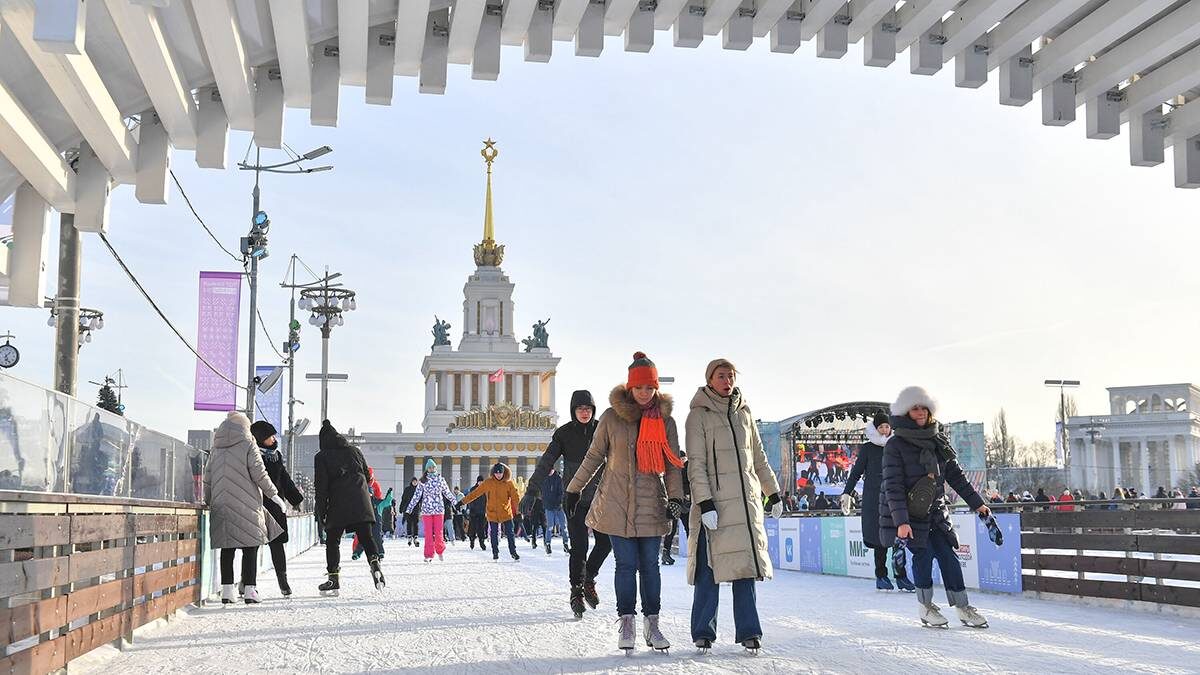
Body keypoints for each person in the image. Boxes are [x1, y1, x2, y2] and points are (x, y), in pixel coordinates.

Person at [565, 352, 685, 653]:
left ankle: (652, 624)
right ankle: (628, 622)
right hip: (616, 503)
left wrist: (676, 498)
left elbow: (672, 465)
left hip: (650, 503)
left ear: (655, 389)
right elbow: (594, 456)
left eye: (650, 388)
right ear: (630, 388)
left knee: (650, 567)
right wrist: (573, 489)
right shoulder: (610, 417)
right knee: (625, 565)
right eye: (639, 387)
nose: (644, 393)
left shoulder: (665, 421)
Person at [684, 358, 782, 653]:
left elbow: (759, 457)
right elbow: (696, 465)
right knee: (708, 569)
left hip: (744, 503)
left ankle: (750, 631)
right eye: (721, 376)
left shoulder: (744, 413)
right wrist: (705, 502)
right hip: (715, 504)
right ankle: (703, 631)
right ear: (710, 379)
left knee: (744, 567)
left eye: (731, 376)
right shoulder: (698, 416)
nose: (727, 381)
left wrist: (772, 492)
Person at [880, 387, 991, 629]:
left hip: (936, 512)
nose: (920, 412)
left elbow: (957, 478)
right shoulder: (895, 444)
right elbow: (893, 486)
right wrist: (901, 522)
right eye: (914, 408)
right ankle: (926, 607)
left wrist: (978, 504)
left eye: (923, 407)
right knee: (923, 557)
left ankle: (963, 608)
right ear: (906, 412)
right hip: (910, 514)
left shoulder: (938, 440)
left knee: (949, 557)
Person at [522, 389, 611, 619]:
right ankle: (576, 592)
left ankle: (589, 578)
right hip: (575, 499)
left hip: (602, 498)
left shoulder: (603, 429)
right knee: (579, 546)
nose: (585, 412)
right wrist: (532, 491)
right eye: (581, 409)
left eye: (588, 409)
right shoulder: (563, 434)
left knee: (606, 542)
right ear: (574, 410)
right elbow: (546, 462)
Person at [206, 413, 287, 604]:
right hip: (247, 503)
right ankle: (250, 590)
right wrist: (274, 495)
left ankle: (227, 591)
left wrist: (208, 500)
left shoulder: (216, 447)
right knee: (251, 546)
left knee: (227, 547)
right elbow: (260, 473)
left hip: (221, 504)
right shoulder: (248, 444)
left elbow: (208, 477)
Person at [843, 412, 915, 592]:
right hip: (874, 498)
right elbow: (856, 472)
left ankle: (901, 576)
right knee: (880, 540)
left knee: (899, 538)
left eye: (887, 426)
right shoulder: (868, 448)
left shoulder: (897, 446)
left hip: (895, 497)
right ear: (875, 429)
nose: (884, 430)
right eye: (881, 427)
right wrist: (847, 492)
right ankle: (881, 576)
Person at [314, 420, 385, 594]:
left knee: (333, 541)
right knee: (367, 537)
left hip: (338, 504)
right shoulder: (355, 451)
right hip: (361, 501)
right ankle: (375, 564)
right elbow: (368, 476)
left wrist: (320, 513)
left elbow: (321, 487)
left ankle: (333, 579)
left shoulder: (322, 456)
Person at [250, 421, 304, 598]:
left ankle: (283, 581)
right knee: (252, 546)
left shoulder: (276, 455)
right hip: (256, 505)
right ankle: (248, 582)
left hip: (275, 506)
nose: (273, 439)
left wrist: (295, 498)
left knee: (277, 544)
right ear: (260, 437)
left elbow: (284, 478)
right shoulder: (252, 454)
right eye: (269, 436)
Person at [461, 463, 522, 561]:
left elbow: (515, 498)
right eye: (496, 473)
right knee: (493, 533)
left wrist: (518, 512)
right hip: (492, 513)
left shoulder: (509, 483)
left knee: (510, 533)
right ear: (493, 473)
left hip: (506, 513)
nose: (498, 475)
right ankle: (495, 553)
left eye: (500, 473)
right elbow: (475, 493)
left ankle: (513, 552)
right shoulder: (488, 483)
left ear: (503, 473)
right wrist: (462, 502)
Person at [406, 459, 456, 562]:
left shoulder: (440, 480)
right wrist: (409, 508)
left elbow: (447, 493)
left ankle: (440, 551)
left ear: (435, 468)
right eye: (429, 467)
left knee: (438, 533)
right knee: (428, 533)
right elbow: (416, 496)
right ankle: (428, 554)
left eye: (433, 467)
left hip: (439, 510)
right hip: (426, 511)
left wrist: (457, 503)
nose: (431, 469)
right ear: (426, 469)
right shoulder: (422, 481)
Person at [352, 468, 385, 560]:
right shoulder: (360, 483)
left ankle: (380, 552)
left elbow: (379, 498)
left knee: (376, 534)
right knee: (362, 534)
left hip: (374, 512)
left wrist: (374, 499)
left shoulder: (375, 485)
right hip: (363, 512)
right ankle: (356, 552)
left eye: (369, 476)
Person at [661, 462, 691, 566]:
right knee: (680, 529)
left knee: (675, 529)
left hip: (675, 501)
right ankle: (692, 554)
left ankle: (666, 553)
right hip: (680, 502)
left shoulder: (673, 467)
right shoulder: (685, 467)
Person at [538, 467, 569, 555]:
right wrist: (544, 502)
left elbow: (561, 492)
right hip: (549, 507)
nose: (549, 471)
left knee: (563, 526)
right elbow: (542, 492)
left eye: (550, 470)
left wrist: (559, 502)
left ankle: (566, 544)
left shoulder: (558, 478)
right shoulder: (544, 479)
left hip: (559, 507)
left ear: (553, 469)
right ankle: (547, 544)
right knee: (550, 526)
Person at [466, 476, 489, 550]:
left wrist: (486, 511)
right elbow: (470, 500)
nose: (481, 483)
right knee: (472, 528)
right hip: (474, 513)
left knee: (481, 528)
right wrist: (471, 509)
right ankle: (472, 541)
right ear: (477, 482)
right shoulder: (473, 489)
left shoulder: (485, 490)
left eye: (482, 481)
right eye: (479, 481)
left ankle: (482, 542)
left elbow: (487, 501)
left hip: (482, 513)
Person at [400, 477, 420, 546]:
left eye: (415, 481)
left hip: (416, 510)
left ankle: (415, 536)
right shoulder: (407, 489)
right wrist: (401, 508)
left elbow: (421, 500)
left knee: (415, 523)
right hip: (408, 509)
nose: (414, 483)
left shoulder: (419, 490)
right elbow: (403, 499)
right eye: (413, 481)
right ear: (411, 482)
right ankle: (409, 536)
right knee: (409, 523)